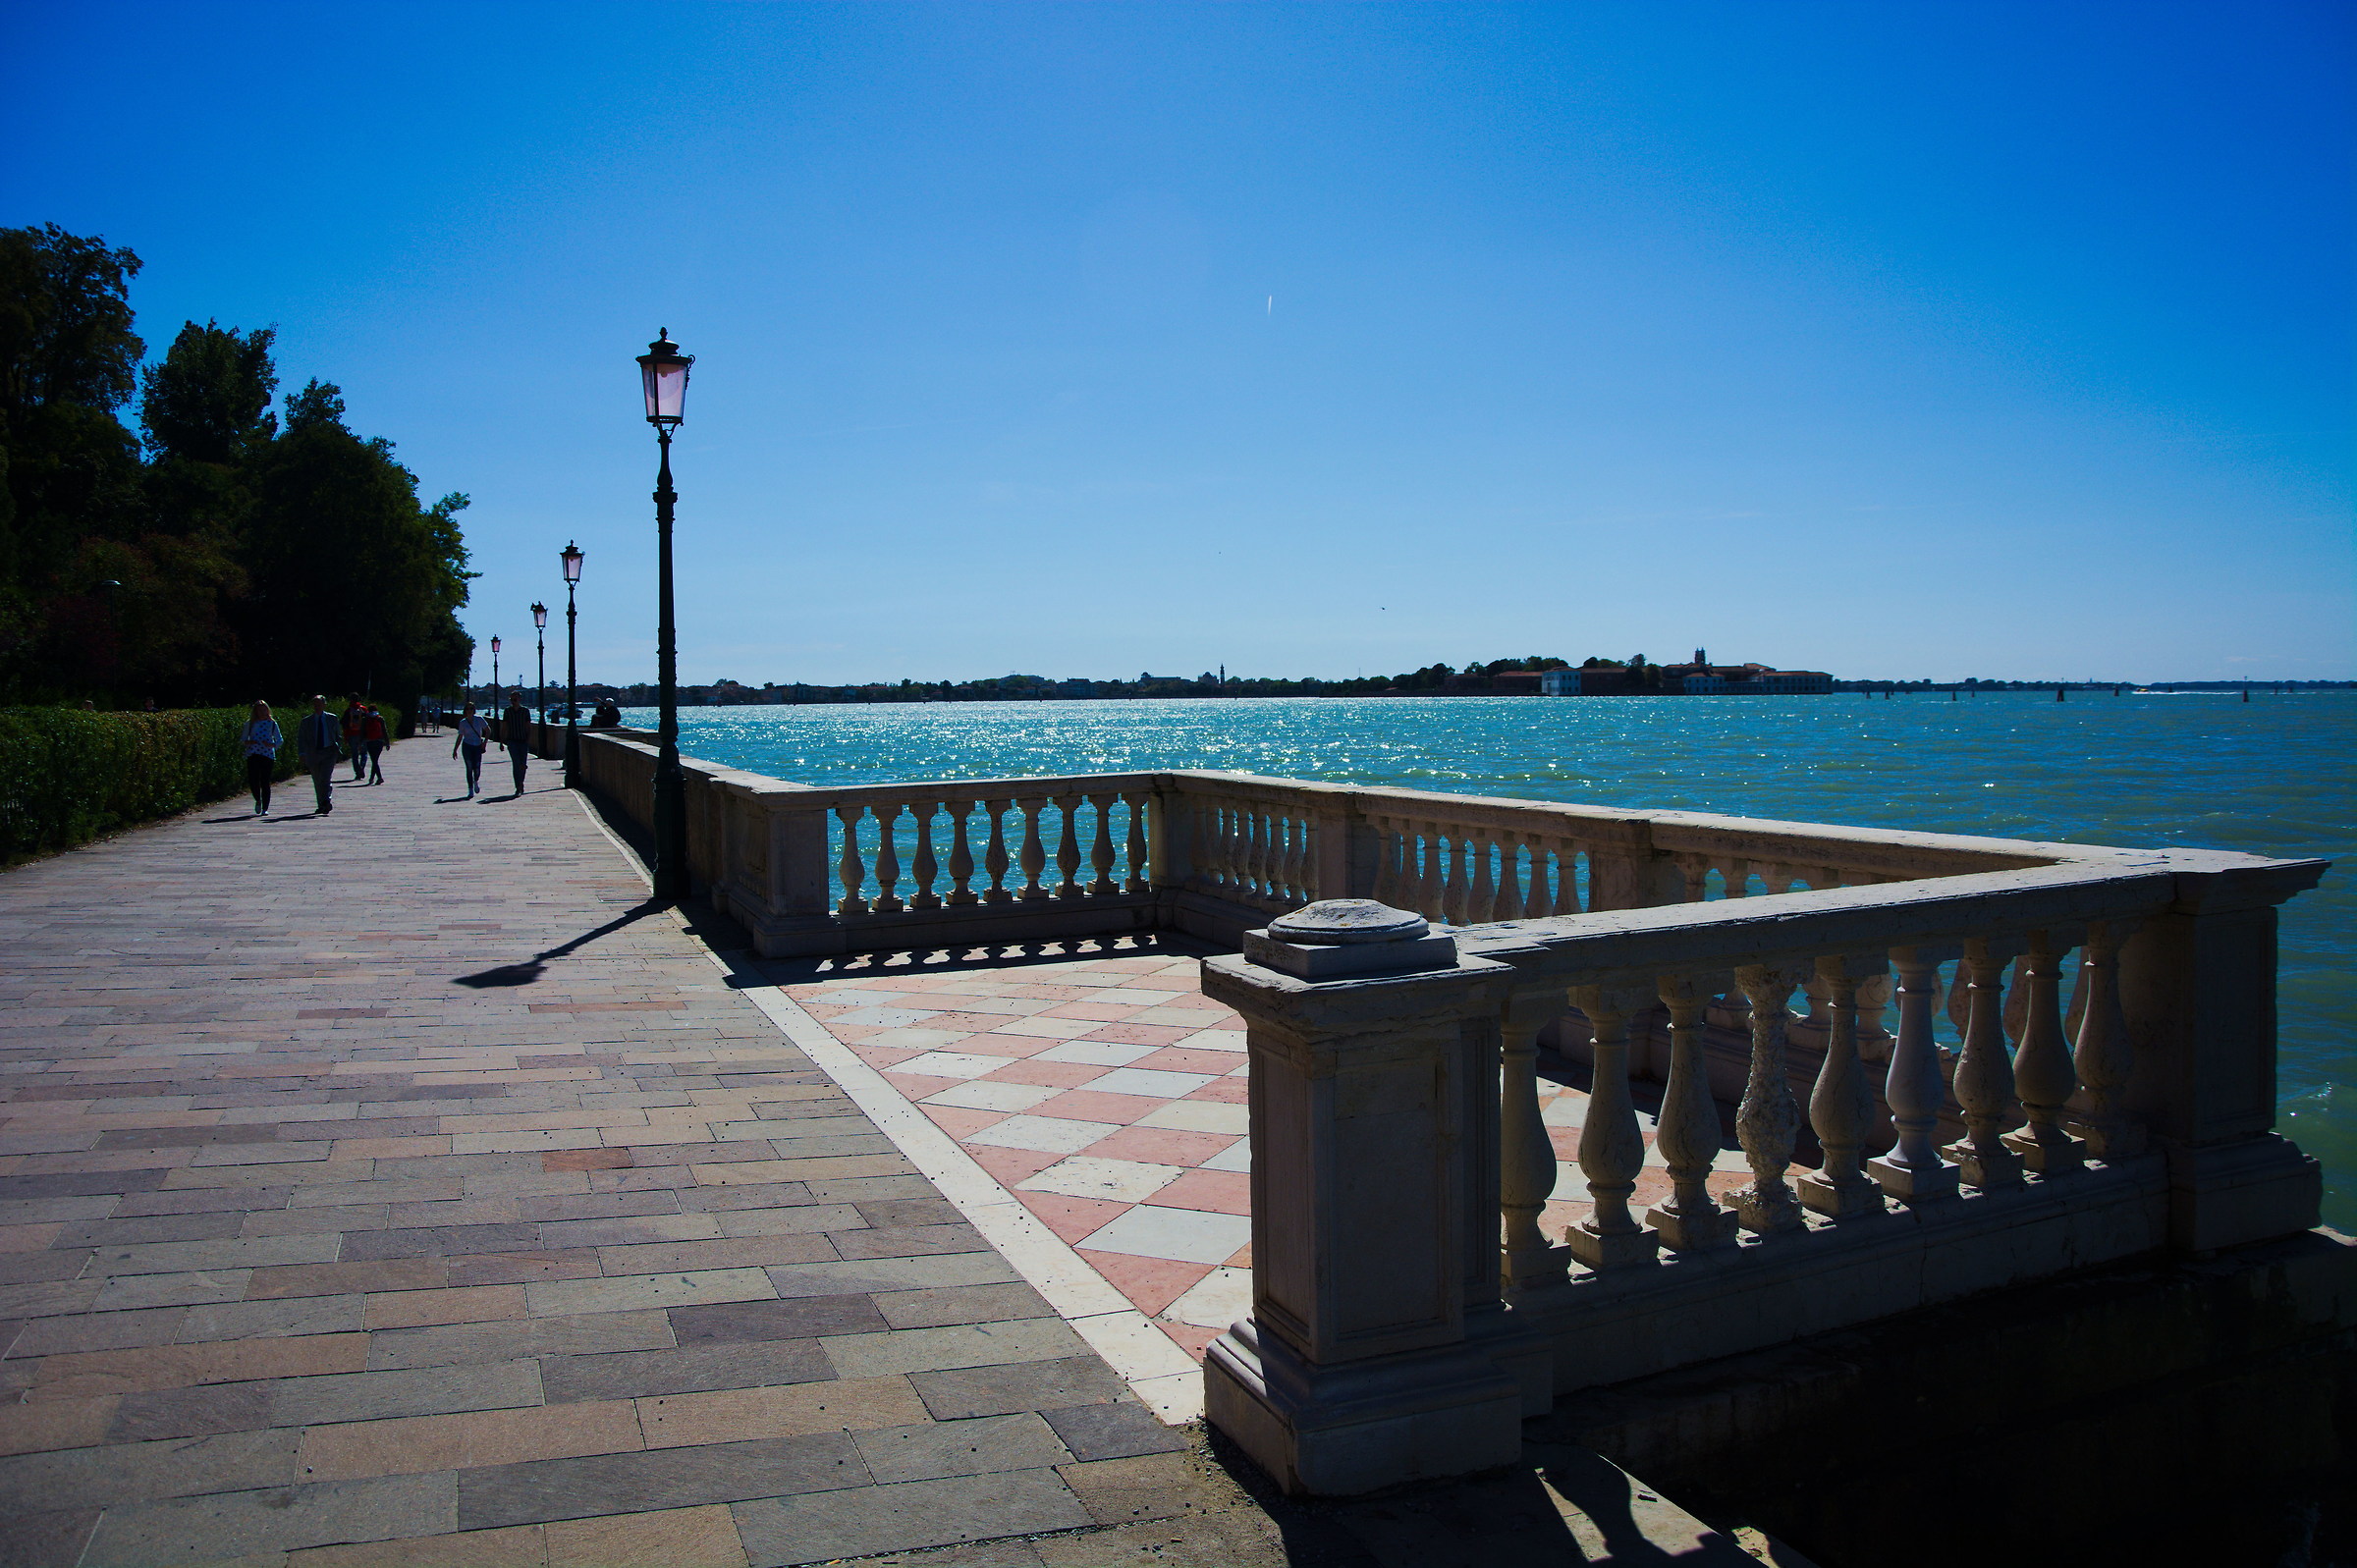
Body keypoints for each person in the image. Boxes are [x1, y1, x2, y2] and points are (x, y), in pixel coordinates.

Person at [296, 695, 343, 815]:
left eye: (319, 704)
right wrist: (302, 753)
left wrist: (338, 748)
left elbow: (338, 735)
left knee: (325, 778)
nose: (317, 707)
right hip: (313, 753)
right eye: (315, 704)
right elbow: (301, 739)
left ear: (324, 705)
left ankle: (326, 801)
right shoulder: (306, 721)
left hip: (329, 752)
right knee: (317, 780)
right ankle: (321, 804)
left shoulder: (332, 718)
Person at [240, 701, 282, 816]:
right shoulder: (250, 724)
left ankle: (265, 808)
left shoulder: (272, 723)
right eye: (259, 710)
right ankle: (258, 799)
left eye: (264, 710)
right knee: (253, 779)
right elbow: (243, 739)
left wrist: (271, 745)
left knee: (265, 781)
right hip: (253, 753)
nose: (262, 712)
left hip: (267, 755)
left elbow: (279, 740)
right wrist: (249, 742)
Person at [452, 701, 489, 796]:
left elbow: (488, 730)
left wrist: (485, 743)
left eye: (471, 708)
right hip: (467, 746)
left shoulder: (479, 719)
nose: (469, 710)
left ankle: (476, 780)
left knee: (477, 767)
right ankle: (470, 789)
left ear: (474, 710)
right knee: (469, 767)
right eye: (468, 708)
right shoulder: (463, 723)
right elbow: (460, 736)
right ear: (465, 710)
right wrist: (455, 749)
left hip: (477, 746)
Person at [503, 691, 534, 795]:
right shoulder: (507, 711)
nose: (513, 702)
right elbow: (504, 726)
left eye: (515, 700)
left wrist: (528, 739)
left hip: (523, 741)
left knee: (523, 764)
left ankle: (521, 782)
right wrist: (502, 741)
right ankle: (518, 786)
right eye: (511, 700)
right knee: (516, 764)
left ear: (519, 699)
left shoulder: (525, 711)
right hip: (512, 741)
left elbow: (528, 727)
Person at [342, 696, 368, 781]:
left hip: (352, 734)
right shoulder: (363, 709)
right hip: (363, 735)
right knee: (364, 753)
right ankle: (362, 767)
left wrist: (345, 737)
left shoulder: (348, 710)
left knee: (354, 754)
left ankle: (357, 772)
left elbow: (344, 725)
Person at [361, 704, 389, 784]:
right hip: (379, 741)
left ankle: (375, 778)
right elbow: (384, 731)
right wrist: (387, 742)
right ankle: (374, 778)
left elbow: (362, 732)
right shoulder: (380, 718)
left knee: (374, 760)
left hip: (369, 741)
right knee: (375, 760)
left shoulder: (365, 719)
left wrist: (360, 742)